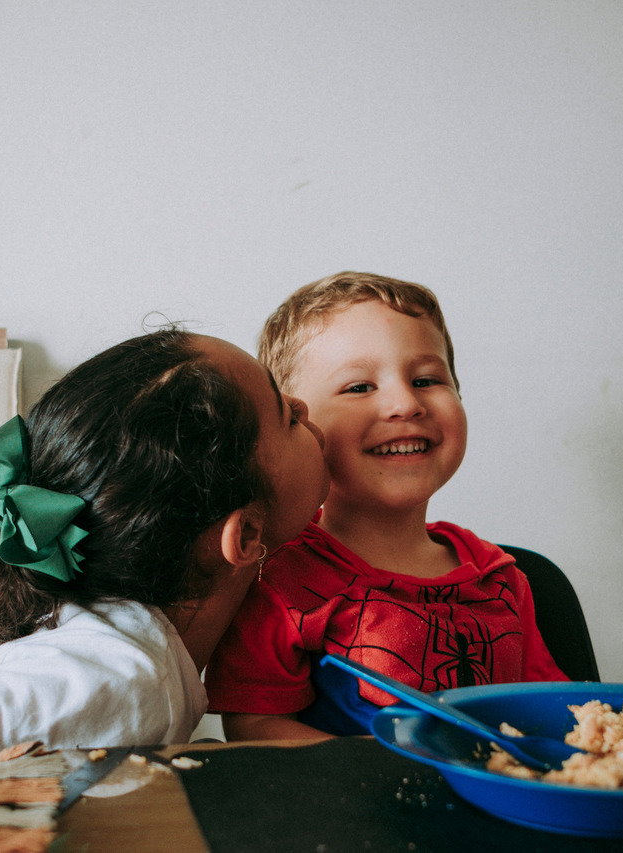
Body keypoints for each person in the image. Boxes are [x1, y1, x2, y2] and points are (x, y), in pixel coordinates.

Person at [0, 328, 329, 755]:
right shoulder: (113, 676)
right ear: (245, 535)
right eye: (285, 416)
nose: (302, 405)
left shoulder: (132, 658)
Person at [206, 272, 567, 741]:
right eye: (359, 387)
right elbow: (254, 726)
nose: (405, 403)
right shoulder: (274, 578)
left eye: (426, 379)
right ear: (297, 422)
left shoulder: (500, 578)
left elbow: (553, 714)